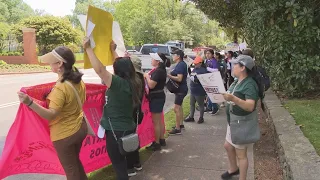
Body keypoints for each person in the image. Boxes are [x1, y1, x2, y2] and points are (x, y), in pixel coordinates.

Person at [17, 47, 88, 180]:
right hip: (80, 127)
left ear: (60, 64)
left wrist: (29, 102)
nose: (49, 65)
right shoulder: (78, 81)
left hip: (64, 135)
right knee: (75, 163)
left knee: (71, 170)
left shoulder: (61, 87)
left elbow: (51, 114)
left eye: (51, 62)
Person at [83, 37, 142, 180]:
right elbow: (123, 66)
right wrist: (113, 51)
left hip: (116, 130)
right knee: (122, 161)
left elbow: (100, 70)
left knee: (119, 164)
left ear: (118, 71)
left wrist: (88, 48)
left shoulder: (118, 84)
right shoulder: (135, 81)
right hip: (128, 127)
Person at [221, 55, 262, 180]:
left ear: (243, 67)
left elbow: (250, 106)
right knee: (228, 146)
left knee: (241, 155)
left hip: (242, 124)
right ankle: (233, 169)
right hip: (233, 121)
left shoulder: (249, 84)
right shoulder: (236, 80)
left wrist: (233, 98)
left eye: (235, 65)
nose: (232, 67)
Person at [144, 53, 171, 151]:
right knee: (159, 120)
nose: (151, 60)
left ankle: (157, 143)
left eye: (153, 59)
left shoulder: (158, 71)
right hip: (159, 96)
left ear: (158, 61)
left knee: (156, 122)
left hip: (156, 97)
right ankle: (162, 139)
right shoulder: (160, 70)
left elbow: (151, 85)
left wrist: (147, 76)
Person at [126, 55, 144, 177]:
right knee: (133, 137)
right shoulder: (140, 77)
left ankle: (130, 166)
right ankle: (136, 162)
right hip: (136, 111)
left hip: (130, 112)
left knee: (128, 138)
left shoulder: (134, 79)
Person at [167, 49, 188, 135]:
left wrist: (169, 76)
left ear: (178, 56)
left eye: (174, 55)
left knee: (176, 108)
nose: (173, 56)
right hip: (182, 89)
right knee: (180, 107)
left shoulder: (180, 65)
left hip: (180, 89)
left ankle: (177, 128)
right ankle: (180, 124)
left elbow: (179, 78)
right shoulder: (181, 64)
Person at [184, 56, 208, 124]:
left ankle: (201, 117)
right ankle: (191, 117)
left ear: (200, 63)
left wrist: (194, 79)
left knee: (201, 105)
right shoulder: (195, 69)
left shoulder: (203, 70)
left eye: (197, 63)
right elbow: (191, 74)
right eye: (195, 63)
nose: (195, 64)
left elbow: (201, 80)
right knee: (192, 104)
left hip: (199, 90)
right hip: (193, 89)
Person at [204, 49, 220, 115]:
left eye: (209, 53)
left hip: (213, 79)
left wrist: (208, 69)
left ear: (212, 55)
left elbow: (216, 70)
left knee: (211, 94)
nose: (207, 55)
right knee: (209, 93)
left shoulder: (214, 61)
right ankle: (209, 106)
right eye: (206, 53)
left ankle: (215, 107)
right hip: (207, 79)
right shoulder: (207, 60)